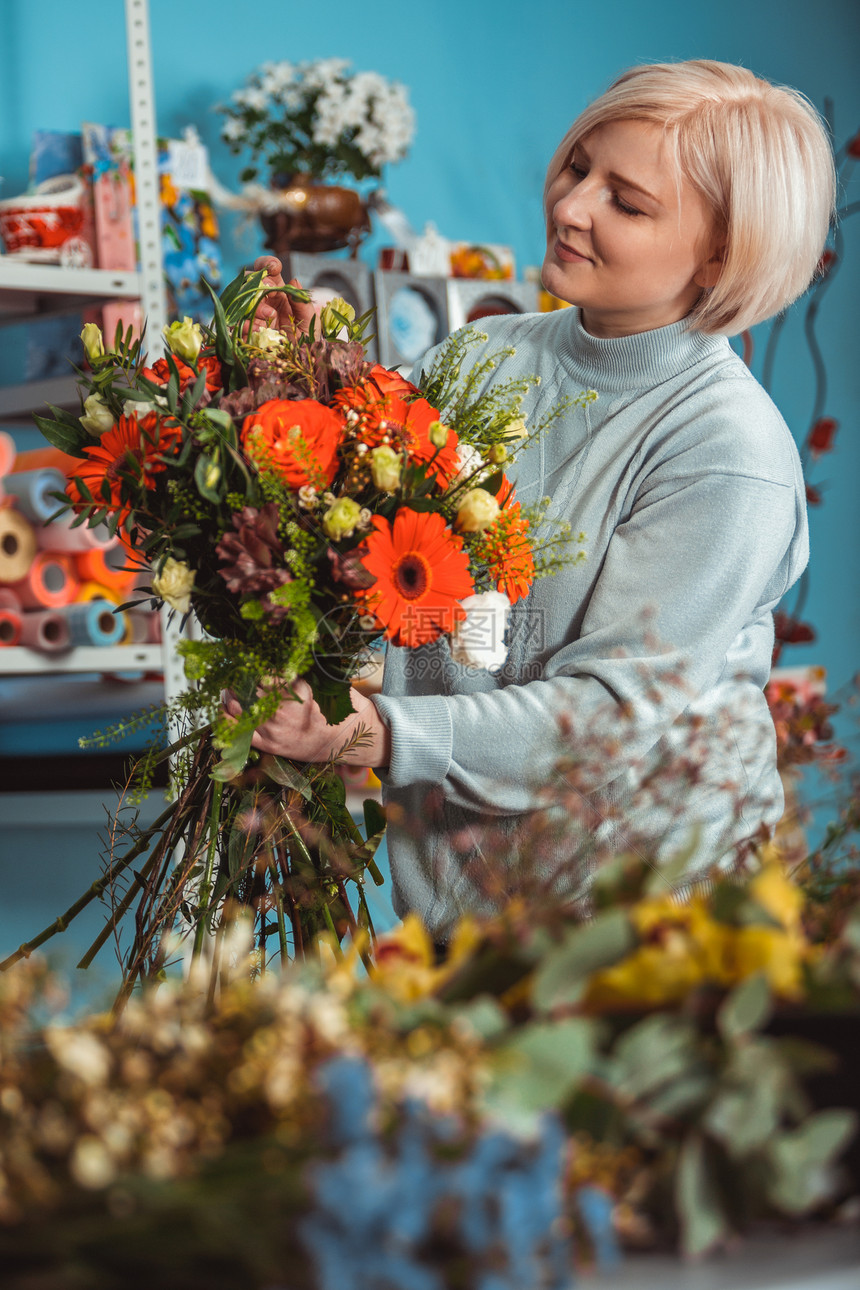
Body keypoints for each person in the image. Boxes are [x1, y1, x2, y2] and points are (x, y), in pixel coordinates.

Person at [224, 59, 836, 939]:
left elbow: (602, 723)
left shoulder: (726, 451)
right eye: (579, 166)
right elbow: (347, 544)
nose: (572, 206)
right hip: (461, 923)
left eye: (626, 202)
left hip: (648, 946)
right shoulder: (476, 361)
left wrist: (367, 733)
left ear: (721, 254)